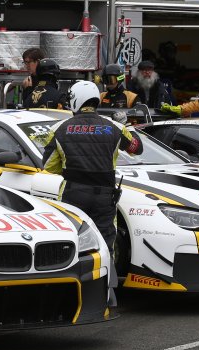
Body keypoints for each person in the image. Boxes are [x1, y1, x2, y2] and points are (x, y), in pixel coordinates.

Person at [42, 80, 141, 265]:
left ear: (76, 100)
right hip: (105, 196)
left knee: (73, 239)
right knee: (105, 243)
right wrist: (127, 125)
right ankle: (106, 279)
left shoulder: (59, 128)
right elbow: (137, 148)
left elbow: (48, 165)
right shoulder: (115, 127)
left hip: (73, 193)